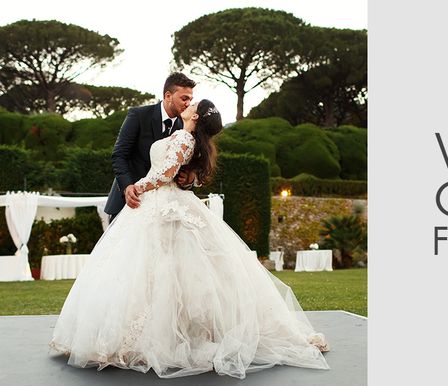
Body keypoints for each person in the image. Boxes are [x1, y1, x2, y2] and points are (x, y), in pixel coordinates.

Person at [49, 100, 330, 379]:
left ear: (195, 115)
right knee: (163, 269)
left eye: (192, 102)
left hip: (163, 204)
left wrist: (137, 187)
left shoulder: (185, 136)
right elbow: (174, 169)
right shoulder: (189, 138)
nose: (188, 103)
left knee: (163, 269)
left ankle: (164, 337)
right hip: (164, 204)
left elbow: (166, 173)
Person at [104, 72, 198, 223]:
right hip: (128, 202)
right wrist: (127, 186)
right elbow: (119, 155)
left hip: (163, 212)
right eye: (184, 98)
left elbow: (188, 167)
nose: (188, 103)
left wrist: (189, 180)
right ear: (168, 96)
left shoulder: (186, 129)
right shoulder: (138, 115)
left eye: (190, 99)